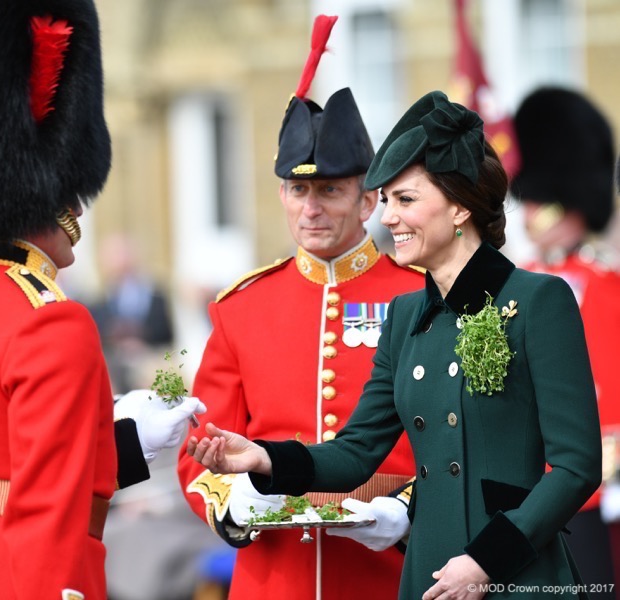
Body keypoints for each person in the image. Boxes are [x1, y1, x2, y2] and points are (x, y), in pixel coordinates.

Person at [188, 90, 603, 600]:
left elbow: (576, 467)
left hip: (513, 572)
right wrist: (263, 458)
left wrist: (485, 562)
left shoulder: (539, 299)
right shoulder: (406, 315)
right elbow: (357, 452)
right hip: (426, 574)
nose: (386, 218)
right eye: (385, 201)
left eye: (405, 200)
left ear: (457, 207)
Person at [0, 1, 204, 598]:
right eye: (70, 189)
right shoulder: (51, 320)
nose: (79, 206)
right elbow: (48, 513)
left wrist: (123, 441)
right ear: (45, 187)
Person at [175, 14, 425, 600]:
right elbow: (203, 450)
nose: (310, 209)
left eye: (330, 191)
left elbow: (456, 442)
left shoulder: (417, 297)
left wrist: (407, 512)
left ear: (368, 200)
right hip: (275, 578)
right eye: (298, 190)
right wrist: (239, 501)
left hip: (388, 575)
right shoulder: (242, 307)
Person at [510, 86, 620, 598]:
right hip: (520, 486)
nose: (530, 210)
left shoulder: (604, 285)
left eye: (540, 200)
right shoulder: (516, 281)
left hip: (587, 488)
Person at [89, 233, 175, 394]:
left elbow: (167, 334)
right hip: (115, 366)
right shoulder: (99, 300)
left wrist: (140, 339)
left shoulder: (154, 295)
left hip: (149, 362)